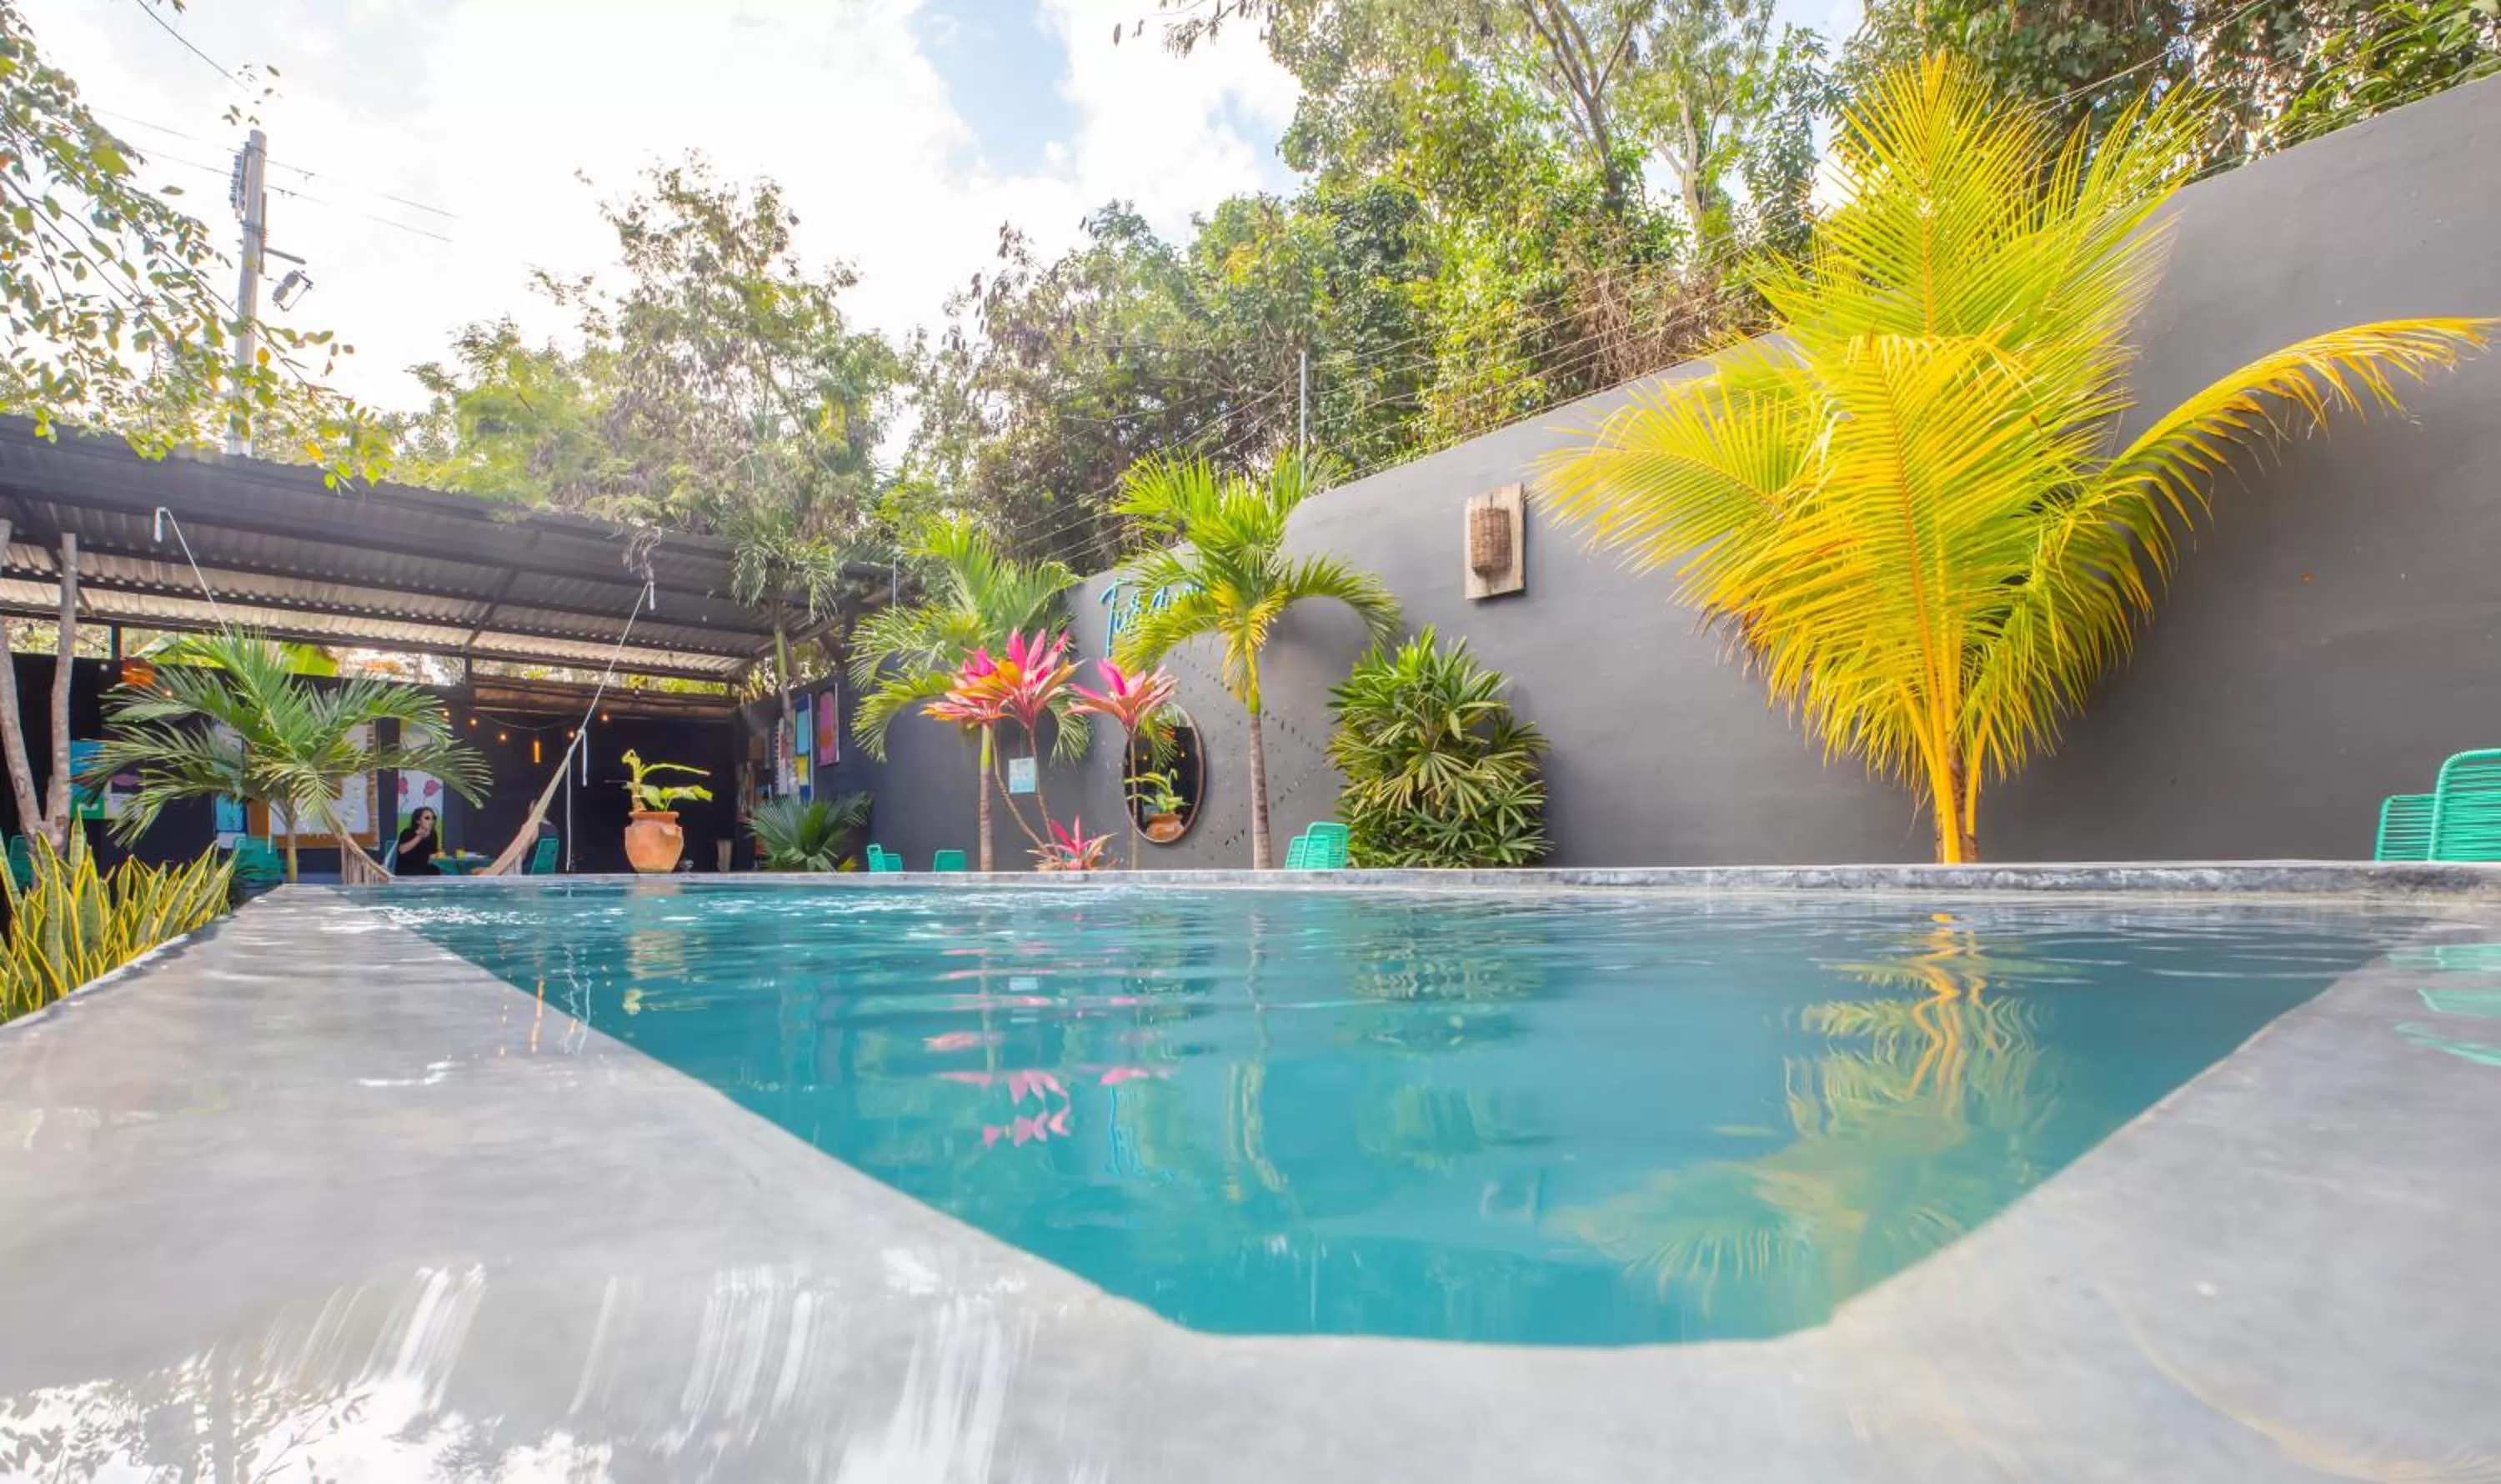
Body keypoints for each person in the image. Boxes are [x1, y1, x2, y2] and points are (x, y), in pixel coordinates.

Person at [394, 808, 441, 877]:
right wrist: (420, 836)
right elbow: (402, 850)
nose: (431, 821)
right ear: (418, 821)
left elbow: (432, 855)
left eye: (433, 818)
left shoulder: (433, 834)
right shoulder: (407, 832)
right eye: (427, 818)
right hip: (407, 871)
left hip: (425, 870)